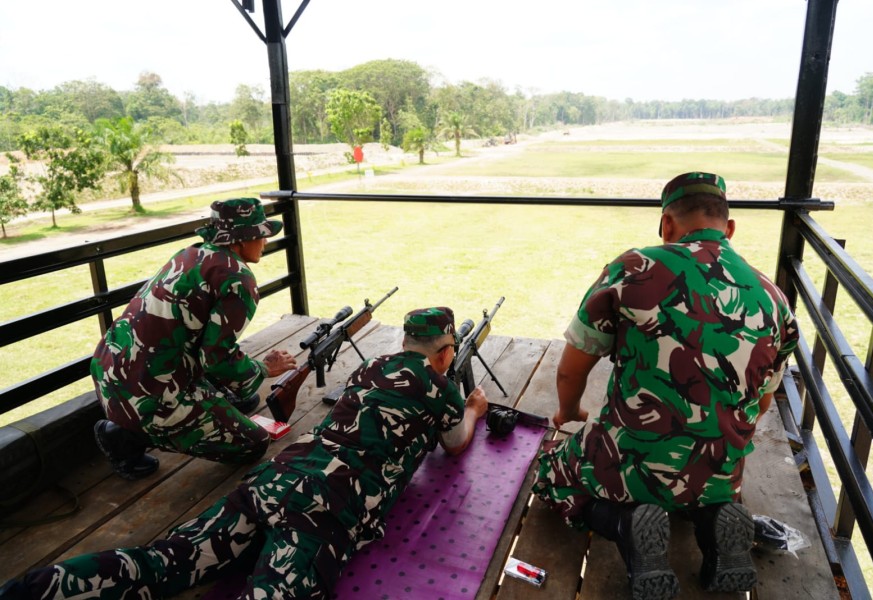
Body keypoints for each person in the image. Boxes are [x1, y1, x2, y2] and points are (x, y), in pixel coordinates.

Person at [1, 307, 489, 600]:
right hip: (328, 506)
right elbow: (454, 444)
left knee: (164, 561)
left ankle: (28, 590)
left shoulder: (372, 366)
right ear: (446, 352)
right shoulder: (439, 386)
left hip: (276, 477)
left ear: (405, 341)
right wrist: (472, 409)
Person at [532, 172, 799, 600]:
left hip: (629, 460)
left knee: (549, 475)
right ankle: (715, 518)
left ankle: (624, 523)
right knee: (696, 484)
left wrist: (568, 413)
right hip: (720, 472)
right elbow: (763, 403)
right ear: (729, 228)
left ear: (667, 224)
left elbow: (571, 370)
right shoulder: (775, 298)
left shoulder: (632, 269)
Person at [90, 197, 298, 480]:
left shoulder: (190, 254)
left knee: (245, 397)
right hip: (147, 396)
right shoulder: (238, 279)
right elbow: (216, 358)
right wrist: (263, 369)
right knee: (254, 444)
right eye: (261, 234)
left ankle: (198, 407)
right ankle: (124, 436)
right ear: (241, 239)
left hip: (111, 371)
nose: (265, 241)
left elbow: (198, 341)